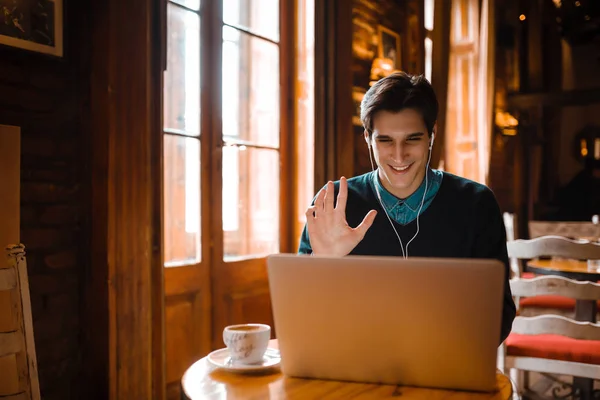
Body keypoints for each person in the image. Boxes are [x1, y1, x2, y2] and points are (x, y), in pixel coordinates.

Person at [298, 72, 516, 344]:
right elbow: (302, 317)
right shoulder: (334, 205)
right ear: (367, 137)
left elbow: (500, 315)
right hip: (355, 363)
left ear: (431, 135)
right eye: (385, 140)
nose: (399, 155)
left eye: (412, 139)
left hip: (446, 361)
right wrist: (323, 264)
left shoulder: (476, 203)